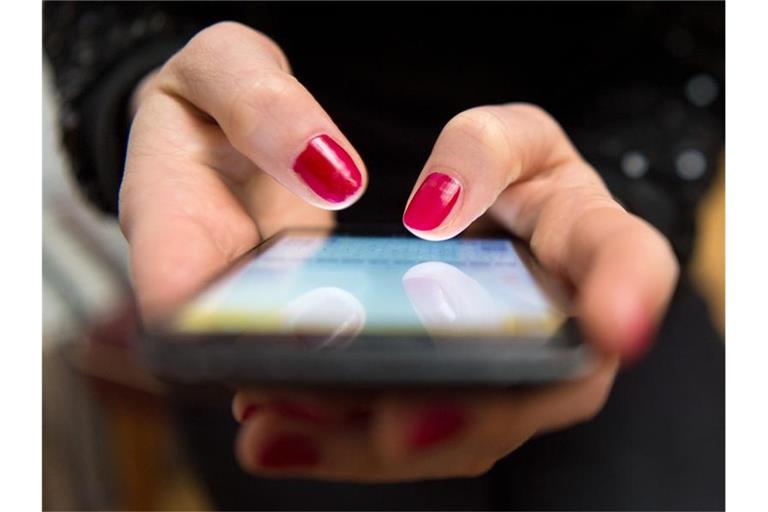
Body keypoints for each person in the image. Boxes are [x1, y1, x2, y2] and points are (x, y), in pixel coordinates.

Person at [43, 2, 724, 509]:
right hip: (269, 231)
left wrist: (624, 183)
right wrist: (152, 97)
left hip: (566, 219)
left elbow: (698, 54)